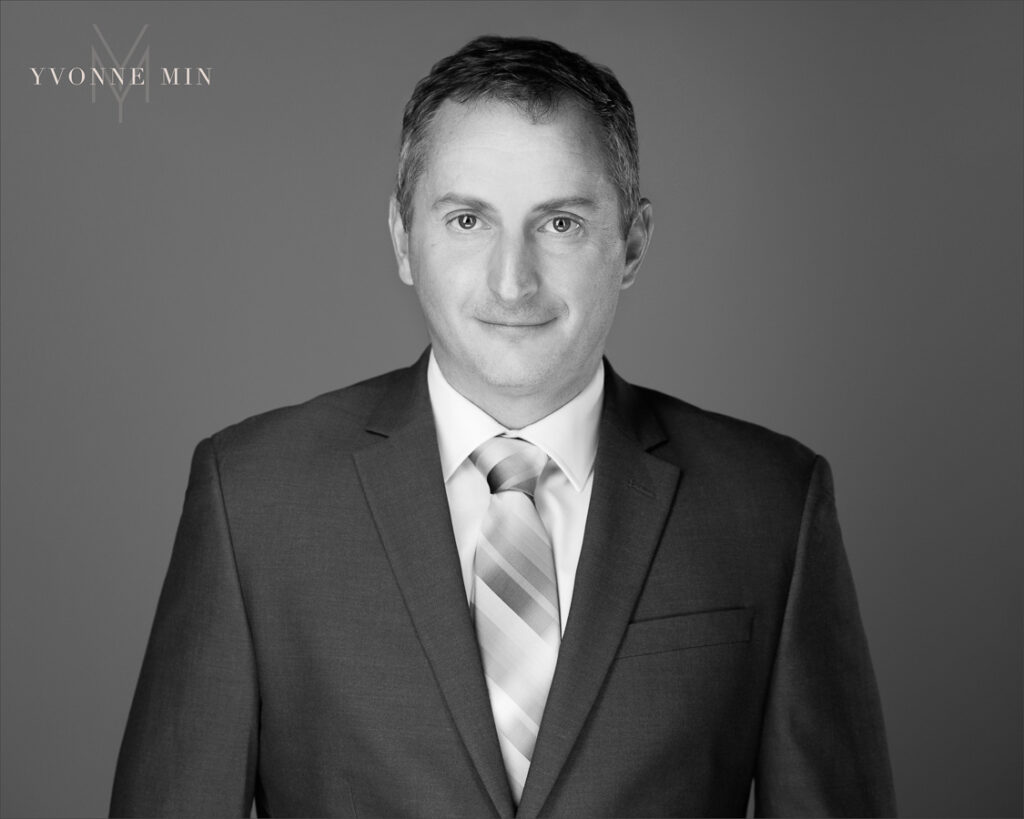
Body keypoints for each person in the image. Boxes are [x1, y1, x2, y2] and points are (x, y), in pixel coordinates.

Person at [110, 35, 897, 817]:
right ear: (402, 239)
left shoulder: (771, 503)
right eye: (466, 220)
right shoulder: (253, 496)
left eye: (559, 223)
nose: (513, 280)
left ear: (632, 242)